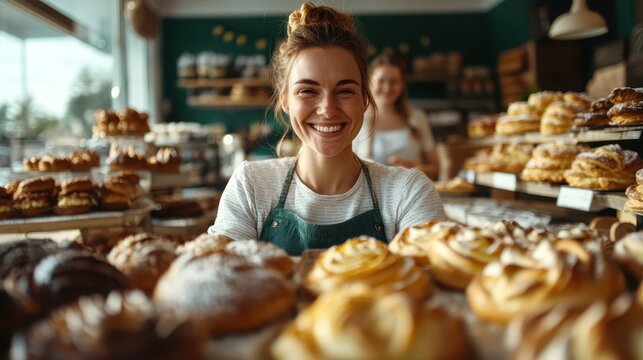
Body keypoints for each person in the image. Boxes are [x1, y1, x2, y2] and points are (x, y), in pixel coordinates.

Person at [209, 2, 445, 255]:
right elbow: (218, 279)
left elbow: (434, 282)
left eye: (344, 91)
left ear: (364, 100)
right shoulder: (251, 186)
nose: (328, 109)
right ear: (285, 101)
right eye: (308, 91)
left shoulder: (408, 191)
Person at [354, 54, 440, 179]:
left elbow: (436, 169)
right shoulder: (358, 119)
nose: (387, 88)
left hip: (412, 192)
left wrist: (416, 169)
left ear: (403, 85)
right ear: (369, 82)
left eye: (394, 82)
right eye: (381, 81)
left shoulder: (417, 117)